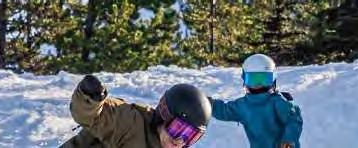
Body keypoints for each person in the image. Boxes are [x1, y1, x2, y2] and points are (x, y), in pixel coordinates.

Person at [61, 75, 212, 148]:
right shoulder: (131, 123)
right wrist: (90, 99)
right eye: (178, 129)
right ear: (164, 114)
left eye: (190, 136)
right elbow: (93, 116)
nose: (179, 141)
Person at [207, 54, 303, 148]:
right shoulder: (243, 105)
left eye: (264, 79)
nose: (258, 84)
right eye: (253, 80)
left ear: (273, 79)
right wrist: (206, 103)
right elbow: (224, 110)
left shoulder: (278, 101)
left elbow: (294, 120)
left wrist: (288, 140)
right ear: (245, 79)